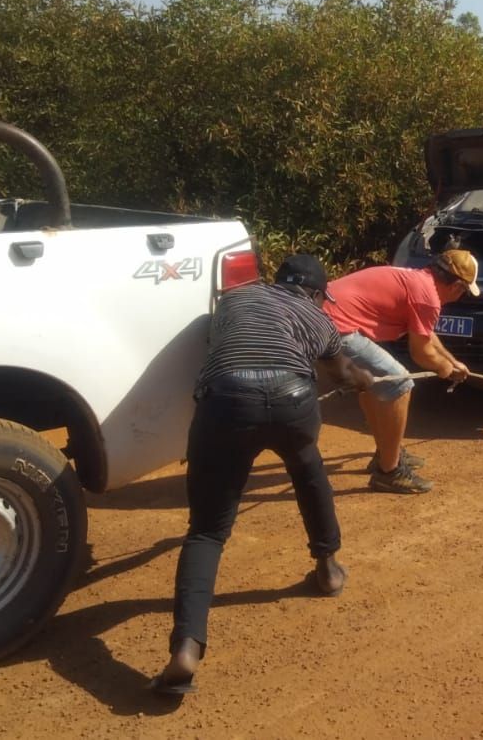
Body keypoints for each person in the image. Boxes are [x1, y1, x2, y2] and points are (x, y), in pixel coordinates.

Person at [150, 254, 367, 695]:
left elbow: (217, 341)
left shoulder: (233, 299)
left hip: (227, 401)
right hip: (293, 397)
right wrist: (362, 378)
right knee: (308, 470)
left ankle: (186, 650)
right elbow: (341, 370)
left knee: (208, 532)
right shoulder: (316, 316)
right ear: (313, 293)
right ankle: (328, 570)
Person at [322, 249, 478, 494]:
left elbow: (425, 334)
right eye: (465, 292)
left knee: (374, 383)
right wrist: (447, 370)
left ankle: (386, 452)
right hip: (336, 328)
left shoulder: (419, 281)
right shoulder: (427, 297)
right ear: (458, 286)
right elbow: (421, 353)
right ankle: (389, 472)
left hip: (322, 319)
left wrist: (452, 361)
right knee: (400, 384)